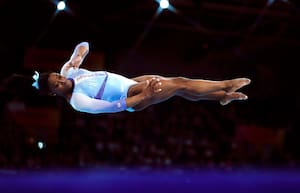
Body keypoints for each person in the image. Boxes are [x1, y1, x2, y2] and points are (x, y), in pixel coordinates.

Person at [31, 42, 251, 114]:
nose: (61, 81)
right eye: (57, 85)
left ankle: (220, 97)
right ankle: (227, 84)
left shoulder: (69, 71)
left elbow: (83, 46)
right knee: (180, 82)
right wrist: (144, 94)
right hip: (132, 94)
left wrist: (78, 55)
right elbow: (115, 106)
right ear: (54, 93)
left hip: (129, 82)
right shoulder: (78, 101)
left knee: (180, 90)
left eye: (58, 77)